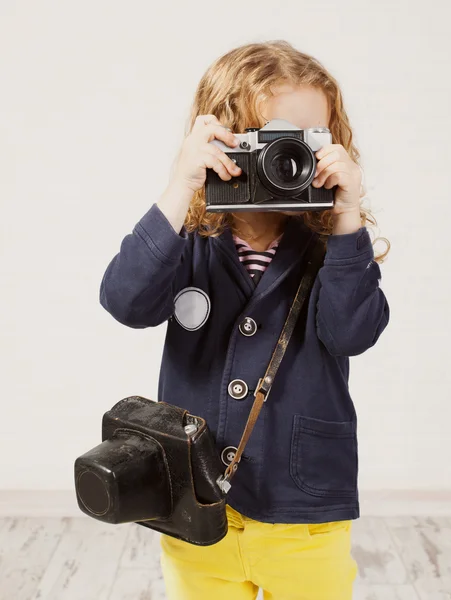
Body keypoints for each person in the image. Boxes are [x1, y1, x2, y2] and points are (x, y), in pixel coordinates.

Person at [99, 39, 390, 600]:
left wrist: (348, 216)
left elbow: (353, 332)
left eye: (306, 144)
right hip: (197, 505)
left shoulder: (332, 249)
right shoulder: (188, 240)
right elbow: (125, 302)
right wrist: (180, 189)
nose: (288, 160)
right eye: (270, 143)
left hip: (302, 505)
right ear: (223, 139)